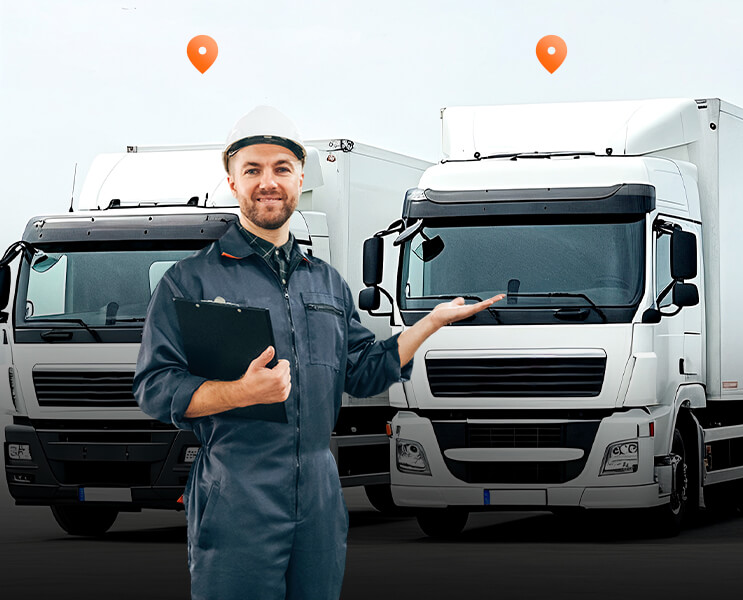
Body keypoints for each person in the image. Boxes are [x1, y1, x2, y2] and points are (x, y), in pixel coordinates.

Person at [133, 106, 501, 599]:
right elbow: (154, 387)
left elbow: (365, 371)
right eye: (253, 170)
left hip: (320, 501)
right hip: (236, 497)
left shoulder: (325, 281)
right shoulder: (190, 281)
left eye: (281, 168)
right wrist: (239, 393)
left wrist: (429, 324)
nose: (268, 182)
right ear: (231, 180)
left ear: (300, 177)